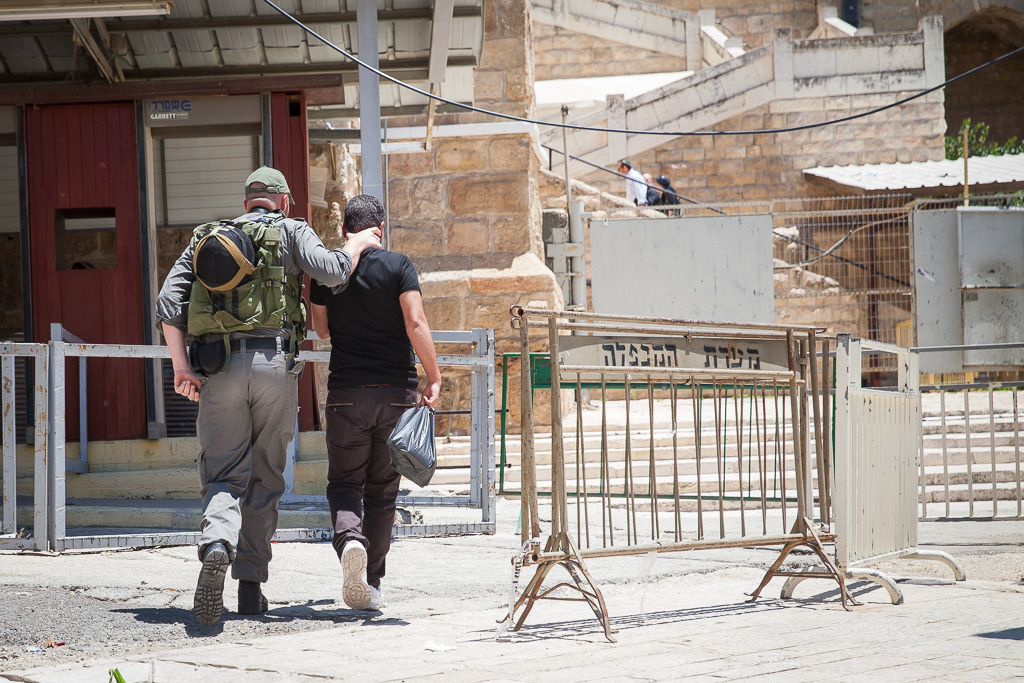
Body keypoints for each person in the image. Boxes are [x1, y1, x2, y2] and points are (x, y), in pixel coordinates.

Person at [155, 167, 382, 626]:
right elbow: (334, 272)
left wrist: (182, 367)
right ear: (282, 201)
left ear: (246, 204)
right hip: (274, 368)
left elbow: (167, 303)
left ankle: (218, 543)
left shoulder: (209, 237)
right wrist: (356, 243)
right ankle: (250, 588)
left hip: (216, 370)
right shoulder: (293, 230)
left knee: (222, 474)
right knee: (266, 477)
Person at [308, 194, 441, 612]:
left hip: (346, 395)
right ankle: (373, 581)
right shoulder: (400, 266)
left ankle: (350, 540)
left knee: (345, 484)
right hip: (396, 396)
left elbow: (322, 331)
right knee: (383, 492)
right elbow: (415, 321)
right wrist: (433, 377)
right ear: (379, 228)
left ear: (345, 230)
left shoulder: (326, 271)